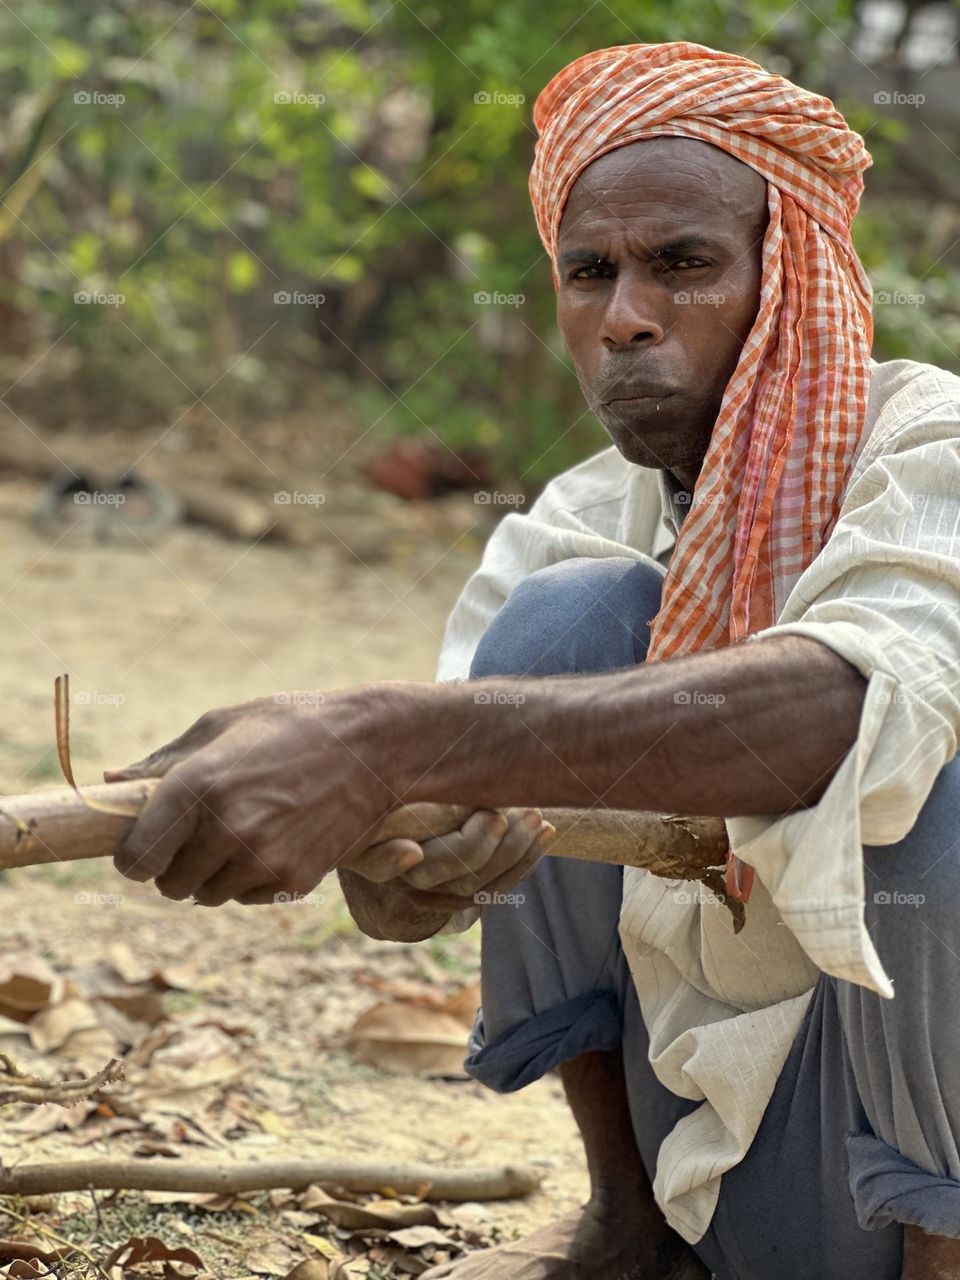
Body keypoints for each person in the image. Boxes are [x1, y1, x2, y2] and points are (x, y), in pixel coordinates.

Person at [108, 42, 960, 1280]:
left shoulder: (929, 450)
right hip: (747, 1172)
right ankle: (626, 1230)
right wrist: (402, 859)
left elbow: (846, 707)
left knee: (933, 783)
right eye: (589, 272)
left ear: (793, 279)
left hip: (919, 1153)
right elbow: (442, 830)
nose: (624, 313)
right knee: (560, 638)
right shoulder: (576, 523)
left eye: (682, 264)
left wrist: (380, 736)